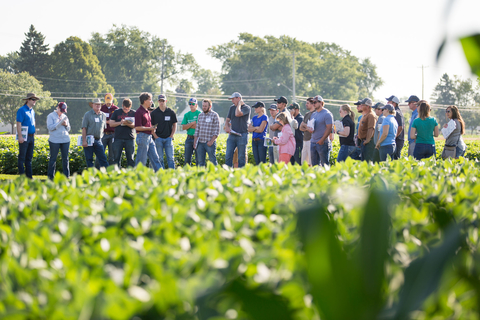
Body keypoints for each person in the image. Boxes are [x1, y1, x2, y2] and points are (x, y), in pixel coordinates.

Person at [134, 92, 162, 171]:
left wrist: (152, 128)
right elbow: (137, 127)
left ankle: (161, 175)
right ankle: (137, 178)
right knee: (141, 161)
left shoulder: (147, 112)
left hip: (149, 138)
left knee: (155, 158)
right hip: (142, 137)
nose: (151, 101)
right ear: (144, 101)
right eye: (150, 100)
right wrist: (149, 128)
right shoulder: (139, 112)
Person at [224, 92, 251, 168]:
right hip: (232, 135)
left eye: (233, 99)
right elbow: (227, 120)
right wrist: (227, 127)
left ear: (238, 98)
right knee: (228, 155)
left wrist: (239, 104)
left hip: (242, 135)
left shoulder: (247, 108)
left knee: (241, 157)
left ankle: (241, 174)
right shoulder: (231, 108)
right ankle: (227, 172)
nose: (232, 101)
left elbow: (237, 114)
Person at [151, 94, 177, 169]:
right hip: (158, 139)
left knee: (171, 158)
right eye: (160, 100)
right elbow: (151, 126)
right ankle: (161, 174)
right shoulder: (154, 113)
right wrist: (156, 137)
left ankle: (172, 174)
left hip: (168, 139)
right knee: (160, 159)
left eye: (163, 100)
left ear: (166, 101)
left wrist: (171, 136)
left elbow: (174, 124)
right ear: (158, 101)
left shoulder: (171, 112)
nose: (161, 102)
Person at [17, 93, 39, 178]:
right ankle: (22, 177)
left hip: (31, 137)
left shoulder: (32, 111)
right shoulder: (22, 110)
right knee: (22, 158)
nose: (34, 101)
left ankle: (29, 177)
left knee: (29, 158)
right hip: (24, 137)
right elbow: (19, 124)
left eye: (35, 100)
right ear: (28, 100)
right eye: (33, 99)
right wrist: (20, 136)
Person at [82, 98, 109, 168]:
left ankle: (107, 176)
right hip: (89, 140)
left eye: (99, 104)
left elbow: (103, 128)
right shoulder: (87, 115)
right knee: (89, 159)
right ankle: (91, 176)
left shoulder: (103, 115)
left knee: (103, 159)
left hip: (98, 140)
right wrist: (84, 140)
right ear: (92, 105)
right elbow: (84, 128)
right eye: (96, 104)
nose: (98, 106)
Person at [109, 98, 136, 168]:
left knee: (130, 159)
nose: (126, 110)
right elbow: (111, 124)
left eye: (128, 109)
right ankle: (117, 175)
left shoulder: (134, 113)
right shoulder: (117, 112)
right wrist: (120, 122)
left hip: (129, 138)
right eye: (124, 109)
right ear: (122, 105)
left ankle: (131, 176)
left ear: (130, 107)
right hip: (118, 138)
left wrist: (127, 123)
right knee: (116, 159)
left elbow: (136, 126)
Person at [47, 102, 71, 179]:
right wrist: (59, 123)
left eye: (64, 111)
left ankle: (66, 177)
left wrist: (66, 125)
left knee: (65, 159)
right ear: (58, 108)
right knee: (53, 159)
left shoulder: (65, 116)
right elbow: (50, 127)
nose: (62, 112)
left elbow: (69, 129)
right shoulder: (50, 116)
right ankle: (51, 177)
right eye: (61, 110)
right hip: (54, 140)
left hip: (65, 139)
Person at [308, 95, 333, 166]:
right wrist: (309, 129)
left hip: (322, 143)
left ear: (321, 103)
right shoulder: (313, 114)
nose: (313, 104)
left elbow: (329, 128)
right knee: (314, 166)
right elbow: (312, 127)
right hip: (313, 142)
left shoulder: (327, 114)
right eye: (312, 102)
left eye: (315, 102)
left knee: (325, 165)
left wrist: (322, 140)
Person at [194, 99, 220, 166]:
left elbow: (217, 130)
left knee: (212, 161)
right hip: (200, 143)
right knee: (200, 162)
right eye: (203, 106)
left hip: (209, 143)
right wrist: (195, 143)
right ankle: (202, 176)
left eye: (205, 106)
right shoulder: (200, 115)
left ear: (210, 106)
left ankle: (216, 175)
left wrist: (211, 141)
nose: (204, 107)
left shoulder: (214, 115)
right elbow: (197, 130)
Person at [96, 93, 118, 167]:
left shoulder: (116, 109)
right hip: (103, 134)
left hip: (113, 134)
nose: (108, 103)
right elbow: (98, 119)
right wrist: (108, 122)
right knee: (100, 154)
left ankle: (110, 173)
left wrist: (108, 122)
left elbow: (117, 121)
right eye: (107, 101)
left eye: (109, 101)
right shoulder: (101, 108)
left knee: (112, 156)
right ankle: (97, 171)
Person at [181, 97, 201, 166]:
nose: (191, 105)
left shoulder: (200, 114)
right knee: (187, 160)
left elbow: (198, 126)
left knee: (198, 159)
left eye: (193, 104)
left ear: (196, 105)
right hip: (189, 138)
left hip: (198, 139)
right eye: (190, 103)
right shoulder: (186, 115)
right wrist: (192, 123)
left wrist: (188, 125)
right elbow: (183, 127)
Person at [299, 97, 315, 165]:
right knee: (304, 162)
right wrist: (307, 127)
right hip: (305, 140)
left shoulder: (315, 114)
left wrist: (305, 126)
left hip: (311, 140)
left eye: (307, 103)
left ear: (312, 104)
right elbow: (300, 127)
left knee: (311, 162)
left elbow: (313, 128)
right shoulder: (306, 114)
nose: (306, 104)